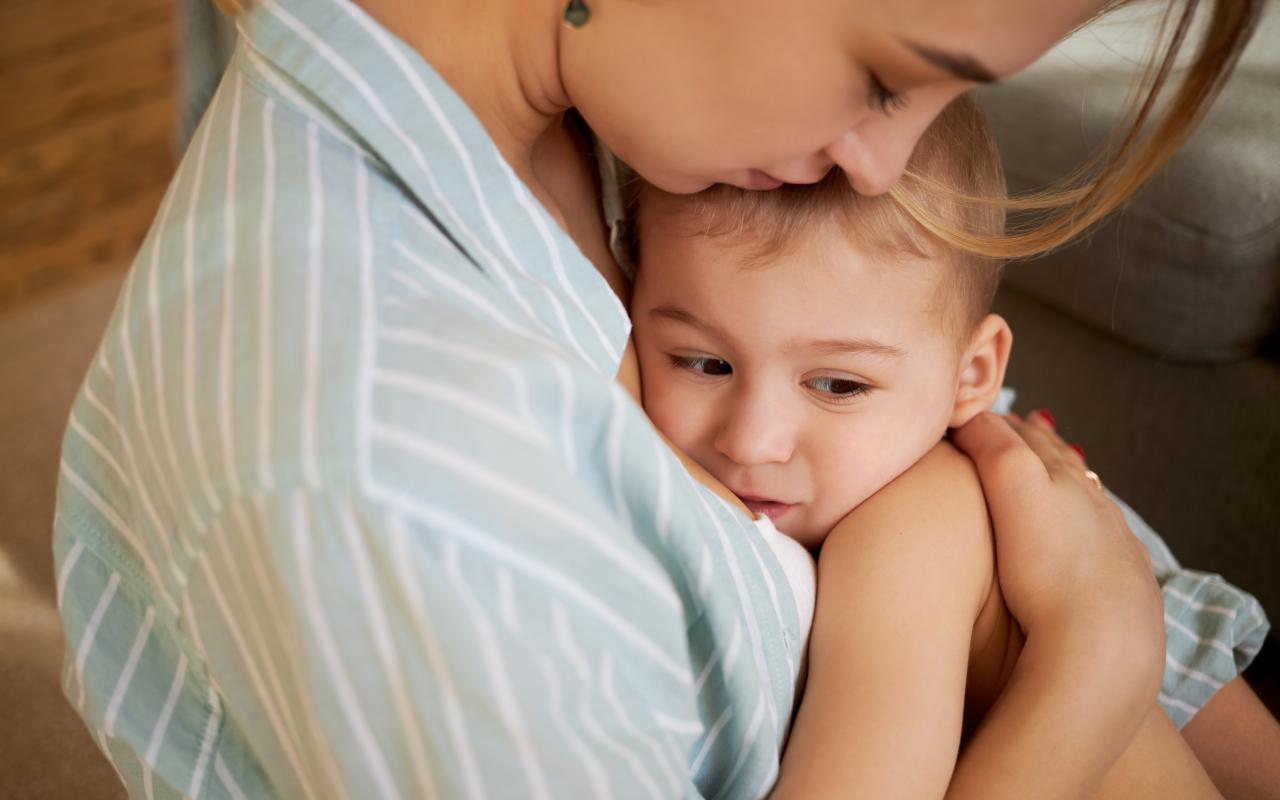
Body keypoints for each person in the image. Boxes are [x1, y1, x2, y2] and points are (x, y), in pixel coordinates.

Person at [53, 0, 1268, 797]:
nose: (878, 165)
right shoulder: (385, 467)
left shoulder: (622, 118)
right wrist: (1094, 658)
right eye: (880, 75)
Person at [628, 94, 1278, 797]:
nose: (752, 442)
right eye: (703, 363)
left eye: (839, 385)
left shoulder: (922, 528)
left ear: (970, 377)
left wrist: (1104, 653)